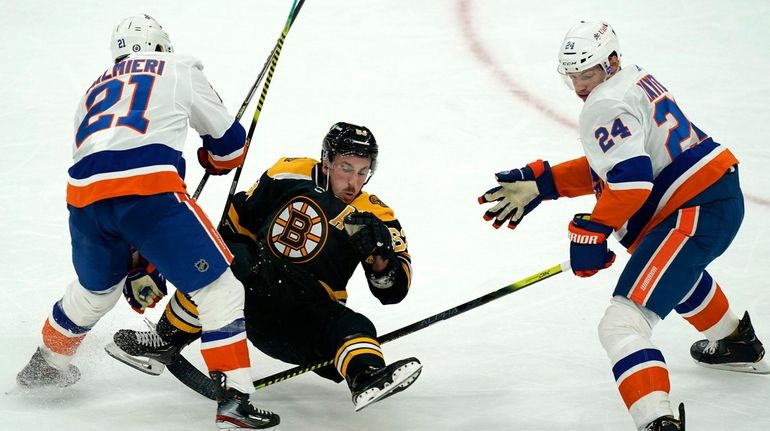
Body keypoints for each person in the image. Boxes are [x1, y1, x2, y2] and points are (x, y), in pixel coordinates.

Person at [478, 20, 767, 431]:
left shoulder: (603, 104)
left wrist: (594, 230)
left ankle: (658, 421)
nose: (580, 85)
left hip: (694, 212)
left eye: (588, 73)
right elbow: (613, 166)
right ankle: (736, 342)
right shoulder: (634, 79)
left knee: (622, 323)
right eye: (573, 75)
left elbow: (631, 182)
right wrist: (545, 184)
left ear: (610, 62)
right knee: (674, 275)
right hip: (712, 198)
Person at [15, 14, 280, 430]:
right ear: (162, 45)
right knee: (218, 288)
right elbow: (229, 149)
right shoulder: (180, 67)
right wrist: (211, 157)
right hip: (150, 194)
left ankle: (46, 364)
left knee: (96, 291)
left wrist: (137, 255)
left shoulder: (93, 88)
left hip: (84, 200)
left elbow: (107, 159)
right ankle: (234, 397)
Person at [106, 121, 422, 411]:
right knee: (228, 258)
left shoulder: (376, 217)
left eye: (363, 172)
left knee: (352, 325)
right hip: (253, 295)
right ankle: (166, 338)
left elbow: (393, 292)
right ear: (326, 161)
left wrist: (381, 257)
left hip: (305, 319)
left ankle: (365, 376)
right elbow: (233, 230)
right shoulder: (287, 174)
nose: (354, 182)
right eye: (345, 168)